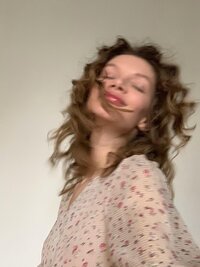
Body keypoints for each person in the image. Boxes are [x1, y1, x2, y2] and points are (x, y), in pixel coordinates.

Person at [38, 38, 200, 267]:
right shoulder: (74, 194)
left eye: (137, 86)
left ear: (146, 118)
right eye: (109, 76)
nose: (118, 85)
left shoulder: (136, 175)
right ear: (91, 89)